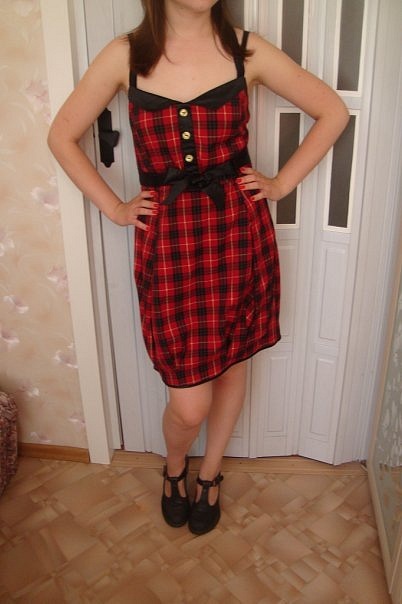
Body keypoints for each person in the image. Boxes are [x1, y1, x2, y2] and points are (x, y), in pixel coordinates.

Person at [48, 0, 349, 535]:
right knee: (188, 405)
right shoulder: (125, 56)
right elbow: (61, 137)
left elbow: (333, 111)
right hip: (169, 246)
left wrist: (280, 183)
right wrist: (114, 207)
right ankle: (174, 467)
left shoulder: (245, 50)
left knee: (233, 361)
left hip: (238, 235)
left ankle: (210, 474)